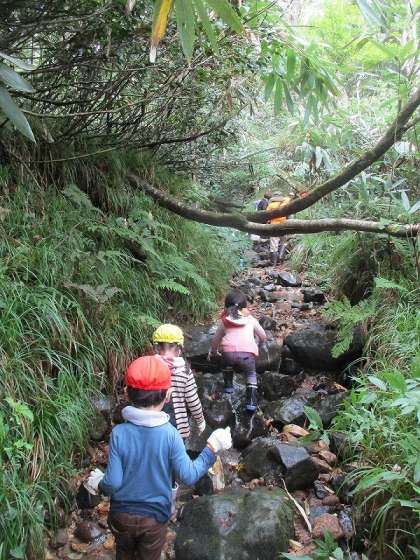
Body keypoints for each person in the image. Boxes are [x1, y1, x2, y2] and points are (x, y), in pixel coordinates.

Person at [85, 355, 232, 560]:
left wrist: (99, 482)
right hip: (154, 519)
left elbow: (113, 483)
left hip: (121, 517)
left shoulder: (119, 433)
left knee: (124, 554)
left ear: (128, 393)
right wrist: (211, 448)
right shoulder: (171, 434)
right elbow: (189, 475)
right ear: (167, 395)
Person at [124, 324, 206, 441]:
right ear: (179, 348)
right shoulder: (185, 371)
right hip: (177, 426)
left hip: (148, 421)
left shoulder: (150, 366)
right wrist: (200, 420)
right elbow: (192, 400)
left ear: (156, 347)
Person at [208, 289, 267, 412]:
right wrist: (259, 344)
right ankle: (251, 403)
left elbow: (215, 340)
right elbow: (263, 336)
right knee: (251, 374)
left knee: (227, 365)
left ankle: (229, 387)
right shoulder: (250, 319)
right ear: (244, 307)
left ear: (226, 307)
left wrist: (213, 352)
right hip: (247, 355)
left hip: (228, 353)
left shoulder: (225, 321)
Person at [266, 194, 291, 267]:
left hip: (274, 226)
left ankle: (274, 263)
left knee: (274, 244)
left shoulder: (271, 205)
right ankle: (281, 259)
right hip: (284, 225)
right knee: (283, 242)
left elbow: (267, 216)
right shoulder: (285, 202)